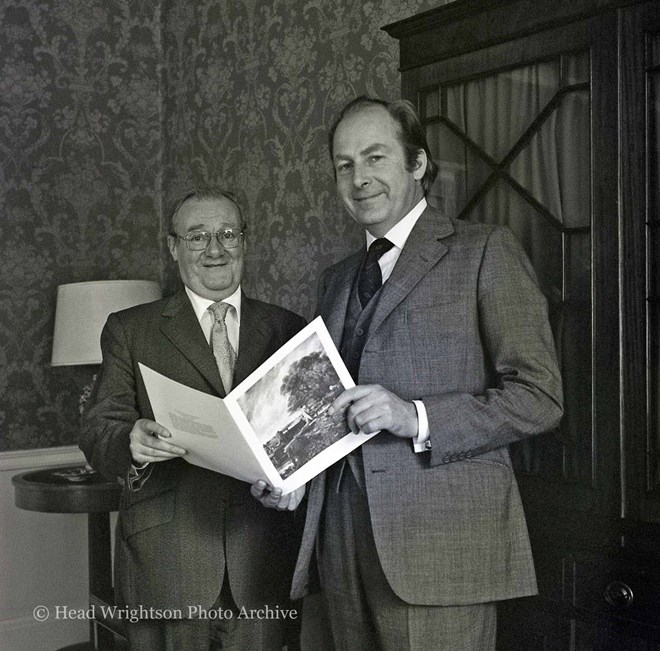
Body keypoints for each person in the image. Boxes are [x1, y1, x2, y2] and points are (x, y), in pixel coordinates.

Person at [253, 97, 563, 650]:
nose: (359, 178)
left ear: (417, 164)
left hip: (441, 549)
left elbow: (539, 396)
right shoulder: (336, 280)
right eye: (344, 165)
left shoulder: (484, 251)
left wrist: (414, 416)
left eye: (375, 158)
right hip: (337, 543)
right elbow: (328, 413)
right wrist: (291, 478)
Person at [81, 188, 306, 650]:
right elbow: (99, 427)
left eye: (227, 234)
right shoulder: (130, 329)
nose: (215, 249)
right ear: (173, 247)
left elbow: (308, 435)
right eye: (198, 236)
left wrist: (296, 478)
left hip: (262, 563)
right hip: (167, 563)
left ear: (244, 241)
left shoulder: (290, 329)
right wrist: (131, 440)